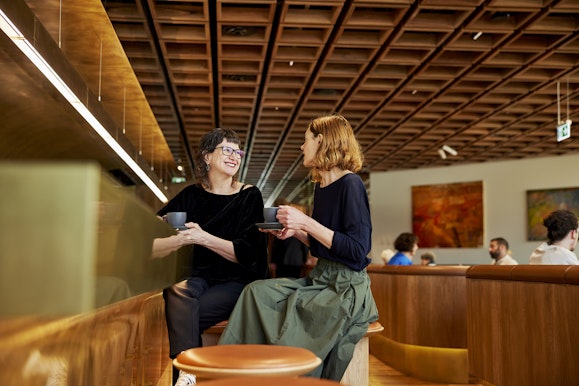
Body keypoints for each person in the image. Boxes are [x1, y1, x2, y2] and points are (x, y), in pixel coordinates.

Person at [218, 114, 378, 381]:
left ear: (322, 140)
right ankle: (232, 373)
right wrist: (296, 233)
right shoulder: (321, 188)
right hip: (322, 279)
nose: (302, 147)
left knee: (291, 325)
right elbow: (322, 248)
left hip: (346, 289)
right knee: (255, 291)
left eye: (305, 141)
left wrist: (306, 222)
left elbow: (357, 250)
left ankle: (275, 375)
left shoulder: (351, 184)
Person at [155, 128, 269, 386]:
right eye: (226, 149)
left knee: (185, 314)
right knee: (176, 291)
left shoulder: (249, 195)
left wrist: (201, 237)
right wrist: (172, 238)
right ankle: (189, 374)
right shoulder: (191, 195)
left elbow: (250, 255)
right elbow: (152, 228)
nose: (234, 156)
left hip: (237, 281)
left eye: (237, 151)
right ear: (207, 157)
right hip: (199, 278)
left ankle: (187, 371)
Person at [269, 200, 310, 278]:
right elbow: (276, 246)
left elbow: (276, 246)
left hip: (287, 260)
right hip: (293, 260)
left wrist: (273, 261)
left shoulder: (281, 225)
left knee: (283, 283)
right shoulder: (295, 224)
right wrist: (305, 259)